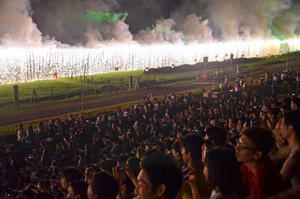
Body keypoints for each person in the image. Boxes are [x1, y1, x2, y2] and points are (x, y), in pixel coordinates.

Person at [235, 126, 285, 199]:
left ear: (257, 155)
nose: (236, 147)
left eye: (242, 146)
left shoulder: (262, 179)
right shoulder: (249, 165)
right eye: (238, 143)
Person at [269, 110, 300, 187]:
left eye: (282, 124)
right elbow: (274, 154)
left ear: (290, 128)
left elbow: (276, 183)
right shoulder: (292, 148)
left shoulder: (295, 157)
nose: (280, 127)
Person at [180, 133, 211, 199]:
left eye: (182, 150)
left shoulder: (188, 178)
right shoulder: (208, 170)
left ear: (189, 154)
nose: (181, 153)